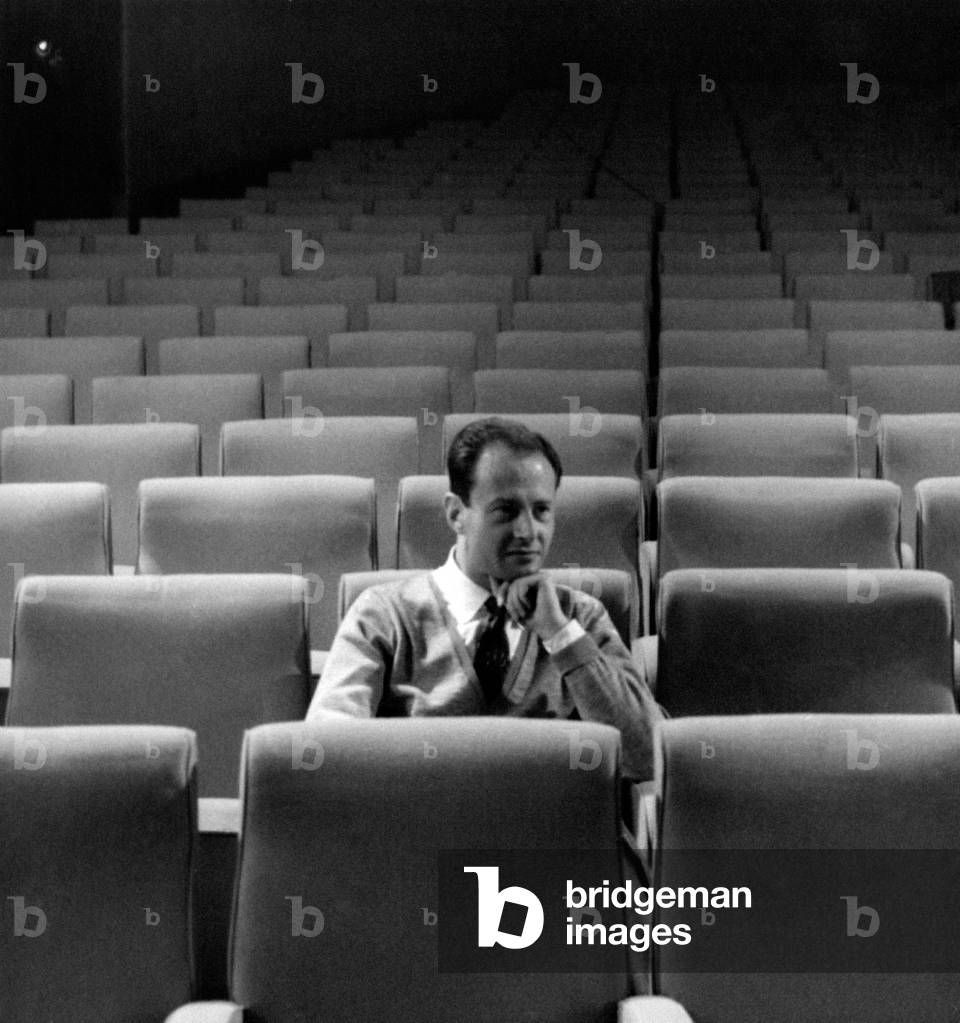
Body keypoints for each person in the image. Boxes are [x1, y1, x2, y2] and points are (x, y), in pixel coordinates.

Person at [307, 416, 661, 781]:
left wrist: (559, 634)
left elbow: (649, 756)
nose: (528, 532)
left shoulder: (579, 618)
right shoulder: (384, 613)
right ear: (456, 514)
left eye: (541, 511)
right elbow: (330, 747)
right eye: (505, 511)